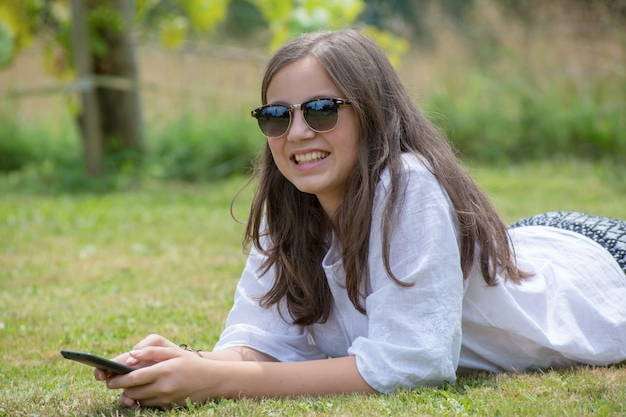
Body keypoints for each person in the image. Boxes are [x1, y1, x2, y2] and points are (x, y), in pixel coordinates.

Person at [95, 29, 626, 409]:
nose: (298, 132)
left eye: (322, 110)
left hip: (601, 272)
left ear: (371, 113)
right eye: (277, 116)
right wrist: (186, 363)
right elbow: (262, 339)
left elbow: (410, 365)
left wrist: (216, 381)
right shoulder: (286, 203)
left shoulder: (408, 182)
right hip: (532, 242)